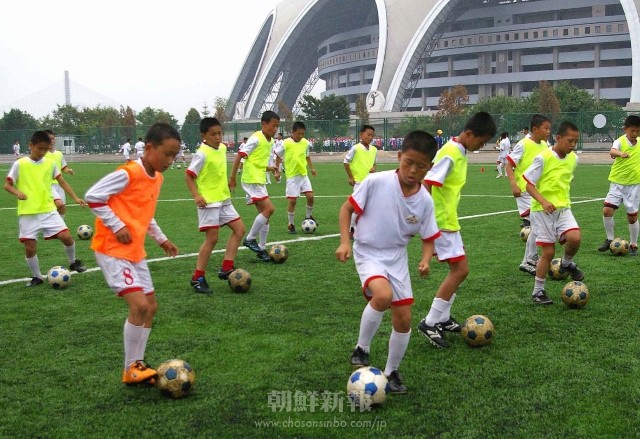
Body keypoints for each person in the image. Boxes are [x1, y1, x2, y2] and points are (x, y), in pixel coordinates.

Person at [336, 130, 440, 393]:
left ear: (429, 168)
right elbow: (347, 209)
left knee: (404, 318)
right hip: (368, 251)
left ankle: (392, 372)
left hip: (397, 257)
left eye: (421, 166)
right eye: (409, 163)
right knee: (382, 295)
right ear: (399, 156)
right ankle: (362, 347)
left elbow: (428, 237)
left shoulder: (425, 202)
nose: (413, 170)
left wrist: (426, 259)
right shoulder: (375, 182)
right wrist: (345, 241)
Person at [85, 123, 180, 385]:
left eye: (175, 156)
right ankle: (130, 367)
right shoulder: (128, 173)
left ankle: (137, 366)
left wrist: (161, 239)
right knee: (138, 305)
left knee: (150, 307)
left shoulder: (157, 178)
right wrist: (116, 225)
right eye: (168, 154)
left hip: (135, 251)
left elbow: (145, 215)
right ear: (149, 148)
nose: (171, 161)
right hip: (112, 249)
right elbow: (93, 196)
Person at [418, 112, 497, 349]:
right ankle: (430, 321)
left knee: (458, 270)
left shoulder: (459, 151)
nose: (481, 147)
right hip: (441, 222)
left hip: (449, 221)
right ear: (469, 134)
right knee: (461, 270)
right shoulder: (451, 153)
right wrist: (426, 221)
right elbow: (428, 183)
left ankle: (442, 318)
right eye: (481, 142)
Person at [4, 130, 87, 287]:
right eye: (39, 148)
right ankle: (37, 277)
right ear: (31, 145)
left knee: (67, 237)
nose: (42, 152)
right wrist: (18, 192)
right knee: (30, 247)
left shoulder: (50, 164)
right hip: (28, 213)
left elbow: (62, 182)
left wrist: (76, 198)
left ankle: (73, 262)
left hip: (48, 210)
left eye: (45, 149)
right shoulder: (20, 164)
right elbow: (7, 185)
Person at [524, 122, 584, 305]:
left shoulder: (573, 159)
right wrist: (543, 201)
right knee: (548, 252)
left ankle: (565, 265)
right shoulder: (543, 158)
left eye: (576, 141)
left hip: (563, 209)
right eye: (570, 140)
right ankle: (538, 291)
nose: (573, 144)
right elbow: (528, 185)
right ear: (558, 138)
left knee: (575, 238)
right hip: (542, 212)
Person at [185, 118, 246, 294]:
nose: (218, 137)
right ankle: (197, 278)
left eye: (220, 133)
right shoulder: (201, 153)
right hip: (209, 201)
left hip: (224, 199)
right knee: (212, 239)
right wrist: (196, 195)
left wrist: (230, 181)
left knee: (239, 229)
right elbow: (189, 176)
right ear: (203, 135)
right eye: (213, 134)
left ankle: (226, 267)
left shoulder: (223, 148)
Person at [229, 111, 280, 262]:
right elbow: (240, 155)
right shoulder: (256, 138)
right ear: (263, 124)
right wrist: (232, 177)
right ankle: (250, 238)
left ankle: (262, 249)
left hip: (259, 179)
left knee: (266, 216)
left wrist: (269, 168)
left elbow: (256, 160)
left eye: (277, 126)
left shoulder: (270, 141)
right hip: (251, 180)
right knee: (270, 209)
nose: (275, 129)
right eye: (273, 125)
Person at [505, 114, 552, 275]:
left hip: (538, 191)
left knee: (540, 225)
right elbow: (508, 164)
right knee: (538, 224)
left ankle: (528, 260)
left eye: (549, 128)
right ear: (535, 129)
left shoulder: (545, 145)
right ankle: (530, 260)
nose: (548, 132)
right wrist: (513, 185)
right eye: (545, 128)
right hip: (525, 192)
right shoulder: (523, 144)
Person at [596, 115, 640, 255]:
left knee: (632, 217)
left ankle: (633, 244)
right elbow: (612, 151)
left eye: (638, 131)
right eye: (632, 131)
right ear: (625, 129)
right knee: (607, 210)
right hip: (617, 183)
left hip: (634, 185)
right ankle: (609, 239)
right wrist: (621, 153)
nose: (635, 134)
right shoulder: (619, 141)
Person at [274, 122, 317, 233]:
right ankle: (291, 224)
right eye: (298, 133)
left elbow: (307, 156)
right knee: (292, 201)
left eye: (303, 133)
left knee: (310, 196)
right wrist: (277, 171)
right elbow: (278, 156)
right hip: (292, 177)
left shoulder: (306, 143)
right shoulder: (285, 143)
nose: (301, 136)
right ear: (292, 132)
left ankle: (308, 217)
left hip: (303, 175)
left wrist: (312, 168)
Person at [344, 125, 377, 237]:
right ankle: (351, 229)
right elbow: (346, 161)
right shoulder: (356, 148)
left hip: (370, 182)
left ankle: (360, 229)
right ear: (361, 135)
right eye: (368, 134)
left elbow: (374, 163)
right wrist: (350, 177)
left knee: (368, 208)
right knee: (356, 207)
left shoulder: (374, 150)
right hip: (359, 183)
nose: (370, 137)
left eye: (372, 135)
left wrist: (374, 168)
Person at [44, 130, 75, 218]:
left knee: (62, 207)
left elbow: (63, 167)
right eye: (49, 138)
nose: (51, 140)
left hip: (59, 185)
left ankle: (59, 229)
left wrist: (67, 170)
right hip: (48, 185)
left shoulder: (59, 154)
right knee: (54, 207)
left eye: (53, 138)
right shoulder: (42, 153)